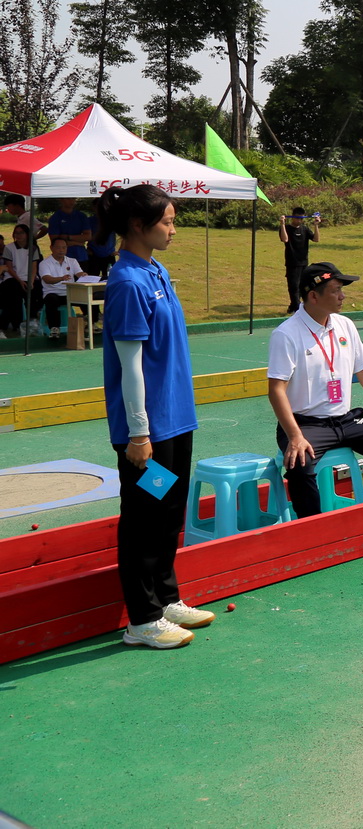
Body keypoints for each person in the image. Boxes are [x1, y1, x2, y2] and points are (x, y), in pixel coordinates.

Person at [97, 183, 213, 649]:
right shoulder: (127, 282)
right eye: (167, 221)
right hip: (147, 432)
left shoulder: (156, 270)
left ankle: (166, 600)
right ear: (137, 225)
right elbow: (130, 367)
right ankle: (142, 620)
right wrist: (139, 434)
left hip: (176, 421)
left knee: (167, 512)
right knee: (143, 517)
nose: (173, 229)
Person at [267, 262, 363, 517]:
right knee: (300, 464)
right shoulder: (286, 334)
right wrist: (295, 436)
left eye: (342, 289)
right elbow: (276, 390)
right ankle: (314, 529)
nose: (343, 296)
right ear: (313, 296)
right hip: (305, 425)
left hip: (346, 421)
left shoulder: (345, 325)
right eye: (336, 290)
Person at [37, 235, 83, 338]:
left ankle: (91, 323)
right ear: (51, 248)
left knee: (87, 296)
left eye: (64, 247)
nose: (61, 250)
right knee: (51, 299)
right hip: (53, 293)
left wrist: (84, 275)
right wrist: (61, 278)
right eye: (58, 247)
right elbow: (47, 279)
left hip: (69, 293)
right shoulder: (45, 263)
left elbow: (79, 273)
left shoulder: (72, 261)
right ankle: (54, 328)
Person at [280, 207, 319, 315]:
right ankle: (297, 309)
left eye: (301, 219)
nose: (299, 221)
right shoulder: (286, 228)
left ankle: (293, 306)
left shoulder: (305, 229)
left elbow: (316, 239)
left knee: (303, 286)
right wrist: (282, 224)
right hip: (292, 262)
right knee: (293, 286)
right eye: (297, 218)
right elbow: (285, 239)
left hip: (304, 262)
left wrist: (316, 225)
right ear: (292, 217)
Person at [1, 223, 37, 337]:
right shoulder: (9, 248)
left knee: (36, 292)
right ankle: (17, 324)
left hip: (29, 278)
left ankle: (32, 320)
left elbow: (34, 267)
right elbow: (9, 267)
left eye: (21, 233)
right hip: (12, 278)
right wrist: (20, 281)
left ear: (27, 234)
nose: (18, 235)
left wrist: (31, 281)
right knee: (14, 295)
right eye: (16, 233)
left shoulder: (33, 248)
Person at [48, 197, 94, 264]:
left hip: (81, 256)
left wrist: (68, 237)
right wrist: (79, 242)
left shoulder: (81, 216)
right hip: (63, 258)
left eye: (73, 198)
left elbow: (88, 236)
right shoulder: (55, 218)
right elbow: (55, 241)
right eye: (68, 198)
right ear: (61, 199)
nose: (72, 201)